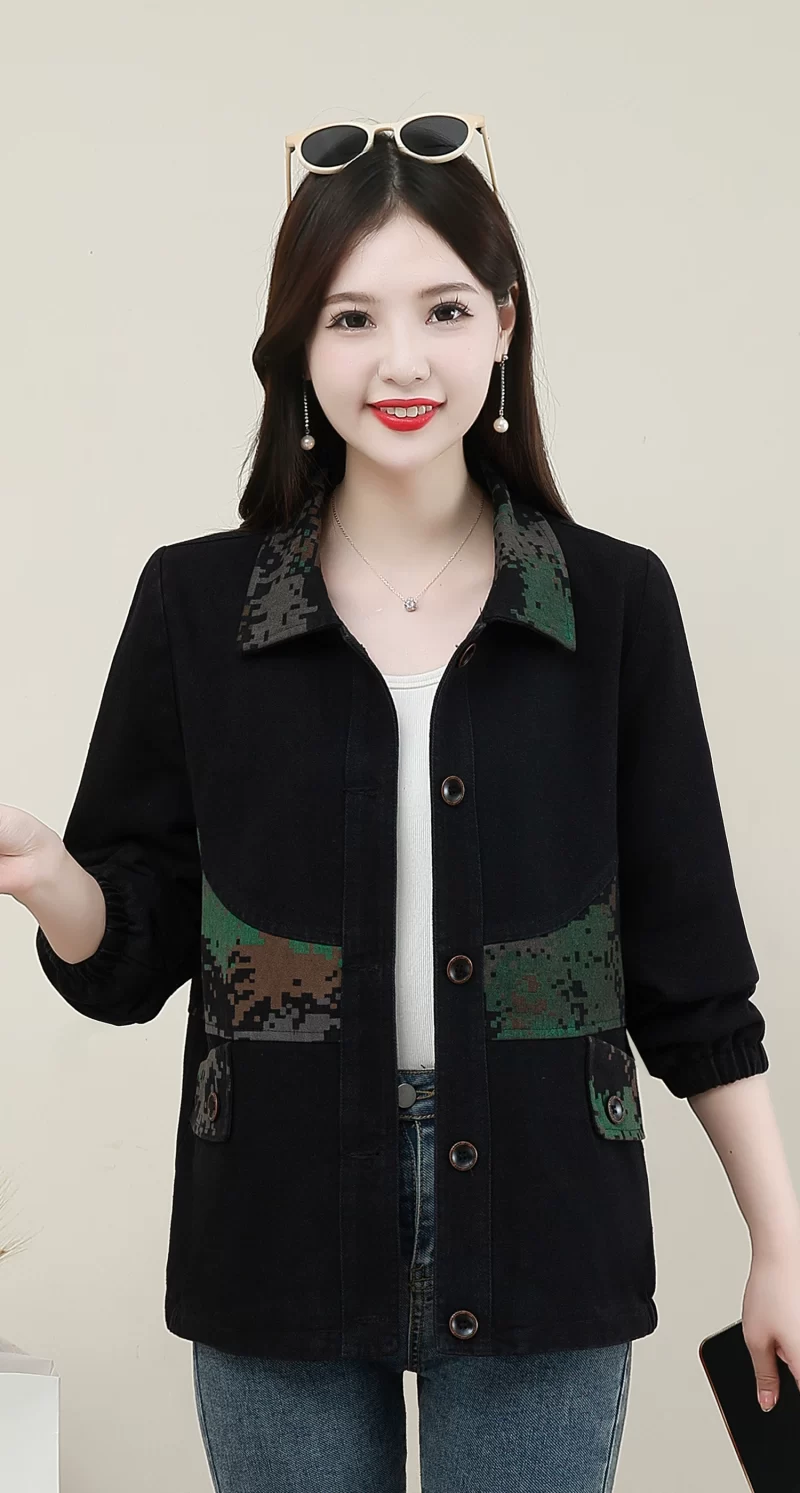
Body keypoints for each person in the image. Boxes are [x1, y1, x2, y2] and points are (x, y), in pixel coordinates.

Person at [3, 113, 798, 1493]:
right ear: (297, 351)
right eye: (351, 317)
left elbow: (692, 972)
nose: (403, 361)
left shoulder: (610, 604)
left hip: (547, 1223)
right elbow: (136, 952)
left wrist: (779, 1245)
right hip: (276, 1222)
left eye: (443, 309)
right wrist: (46, 878)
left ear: (504, 323)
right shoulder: (199, 603)